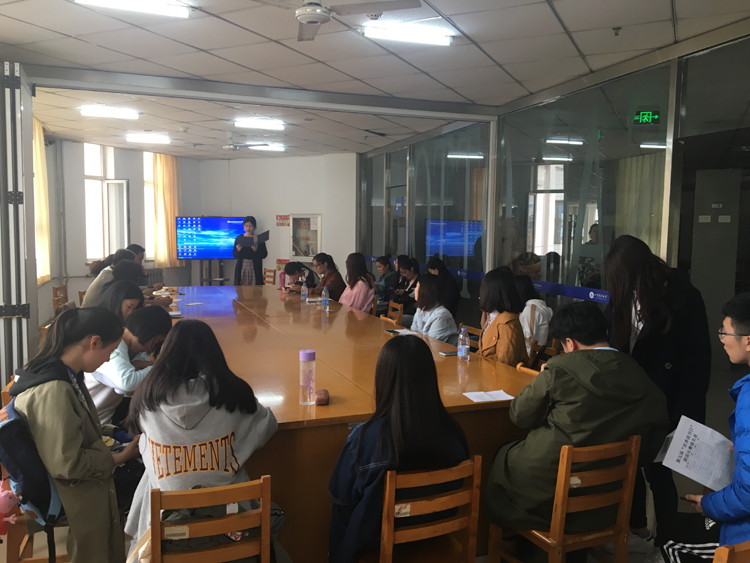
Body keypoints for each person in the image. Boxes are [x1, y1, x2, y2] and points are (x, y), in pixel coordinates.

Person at [486, 302, 670, 539]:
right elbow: (655, 432)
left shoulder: (560, 369)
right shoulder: (637, 371)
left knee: (504, 457)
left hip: (551, 490)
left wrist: (543, 380)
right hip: (608, 497)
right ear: (605, 332)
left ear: (570, 343)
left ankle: (514, 540)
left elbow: (519, 415)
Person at [123, 320, 279, 555]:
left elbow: (142, 439)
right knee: (275, 513)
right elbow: (268, 425)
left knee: (150, 477)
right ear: (214, 355)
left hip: (167, 537)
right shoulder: (233, 396)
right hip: (231, 532)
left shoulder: (147, 399)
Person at [605, 235, 711, 549]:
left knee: (659, 473)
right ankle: (637, 527)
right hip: (629, 399)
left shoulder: (683, 298)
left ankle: (666, 542)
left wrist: (685, 418)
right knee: (627, 464)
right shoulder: (623, 295)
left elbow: (697, 364)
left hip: (667, 401)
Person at [10, 308, 141, 563]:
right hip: (72, 489)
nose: (109, 358)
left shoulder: (66, 373)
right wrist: (120, 457)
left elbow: (82, 425)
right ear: (94, 342)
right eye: (111, 351)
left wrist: (116, 433)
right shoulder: (54, 389)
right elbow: (68, 464)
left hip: (73, 476)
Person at [328, 335, 469, 563]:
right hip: (434, 539)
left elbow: (341, 496)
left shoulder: (365, 440)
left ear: (382, 379)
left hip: (376, 546)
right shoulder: (455, 434)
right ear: (431, 379)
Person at [653, 293, 750, 563]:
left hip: (743, 540)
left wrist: (708, 505)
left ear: (748, 340)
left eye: (725, 332)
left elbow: (747, 493)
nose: (721, 339)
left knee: (670, 539)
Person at [84, 305, 172, 426]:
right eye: (156, 341)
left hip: (106, 415)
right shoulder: (114, 345)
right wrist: (161, 366)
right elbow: (126, 384)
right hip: (95, 424)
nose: (152, 347)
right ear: (146, 331)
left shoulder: (126, 344)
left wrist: (142, 363)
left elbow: (143, 356)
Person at [478, 267, 529, 367]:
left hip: (497, 375)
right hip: (485, 371)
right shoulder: (493, 316)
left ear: (491, 294)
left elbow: (504, 365)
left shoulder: (507, 324)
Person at [411, 273, 459, 345]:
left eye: (417, 287)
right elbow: (413, 333)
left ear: (424, 291)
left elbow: (432, 344)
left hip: (439, 351)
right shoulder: (421, 309)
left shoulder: (441, 315)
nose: (415, 290)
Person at [515, 275, 554, 355]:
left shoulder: (530, 310)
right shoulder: (539, 306)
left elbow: (528, 339)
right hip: (535, 353)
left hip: (528, 355)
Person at [233, 216, 268, 286]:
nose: (248, 228)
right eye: (246, 226)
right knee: (241, 288)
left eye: (250, 226)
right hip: (242, 266)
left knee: (255, 288)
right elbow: (234, 254)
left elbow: (264, 254)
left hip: (255, 266)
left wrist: (256, 250)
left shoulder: (259, 239)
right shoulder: (239, 238)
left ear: (254, 227)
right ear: (243, 227)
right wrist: (238, 250)